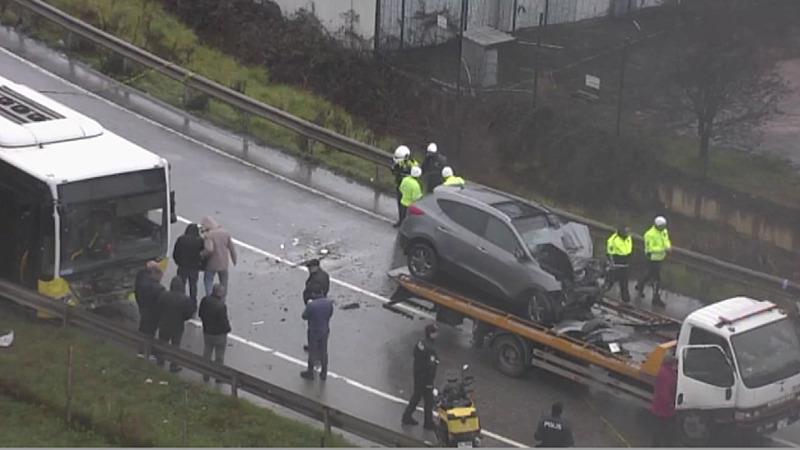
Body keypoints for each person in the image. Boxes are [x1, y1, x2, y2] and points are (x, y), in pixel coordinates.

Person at [402, 324, 440, 429]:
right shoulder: (431, 349)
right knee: (428, 400)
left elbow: (415, 354)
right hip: (425, 378)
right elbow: (431, 366)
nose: (437, 334)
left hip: (417, 374)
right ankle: (427, 422)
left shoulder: (420, 343)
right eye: (435, 332)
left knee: (417, 397)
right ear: (431, 334)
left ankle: (408, 416)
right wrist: (430, 379)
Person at [156, 276, 196, 372]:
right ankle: (174, 365)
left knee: (162, 342)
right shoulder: (185, 299)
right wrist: (183, 318)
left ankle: (160, 360)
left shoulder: (164, 295)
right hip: (177, 326)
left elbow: (158, 308)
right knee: (175, 345)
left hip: (164, 323)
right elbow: (189, 313)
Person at [635, 216, 672, 307]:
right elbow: (650, 248)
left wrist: (668, 246)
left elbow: (666, 240)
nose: (664, 228)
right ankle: (655, 298)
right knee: (656, 279)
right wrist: (664, 249)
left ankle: (640, 285)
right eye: (662, 226)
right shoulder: (649, 234)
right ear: (657, 225)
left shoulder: (664, 231)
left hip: (660, 258)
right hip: (652, 258)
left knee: (649, 276)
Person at [199, 283, 232, 383]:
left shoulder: (205, 300)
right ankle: (218, 376)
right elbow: (224, 322)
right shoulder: (221, 306)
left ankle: (206, 374)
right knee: (219, 356)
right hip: (219, 335)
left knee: (207, 353)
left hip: (207, 332)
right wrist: (228, 329)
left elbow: (200, 313)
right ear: (219, 293)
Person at [300, 290, 334, 381]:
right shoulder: (328, 303)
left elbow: (304, 316)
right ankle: (324, 373)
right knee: (323, 351)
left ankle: (310, 372)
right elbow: (330, 314)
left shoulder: (312, 305)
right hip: (324, 330)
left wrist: (308, 305)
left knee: (312, 351)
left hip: (314, 331)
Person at [200, 216, 237, 298]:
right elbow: (231, 248)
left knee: (208, 281)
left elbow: (209, 249)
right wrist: (234, 259)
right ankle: (222, 300)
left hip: (211, 264)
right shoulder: (225, 233)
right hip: (224, 264)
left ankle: (210, 299)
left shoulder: (209, 235)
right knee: (224, 283)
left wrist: (202, 255)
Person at [651, 352, 678, 447]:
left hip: (662, 407)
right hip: (664, 409)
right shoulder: (665, 373)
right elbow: (664, 392)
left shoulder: (667, 371)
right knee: (664, 431)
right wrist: (670, 404)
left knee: (661, 430)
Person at [172, 223, 204, 303]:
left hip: (182, 266)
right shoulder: (199, 241)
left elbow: (175, 253)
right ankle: (193, 302)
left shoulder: (181, 239)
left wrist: (178, 262)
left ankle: (180, 301)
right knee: (193, 285)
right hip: (194, 267)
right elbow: (203, 254)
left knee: (181, 284)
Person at [134, 260, 165, 340]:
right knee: (149, 332)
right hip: (151, 312)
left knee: (143, 327)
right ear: (154, 273)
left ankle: (139, 345)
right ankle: (143, 349)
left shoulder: (141, 276)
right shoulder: (158, 289)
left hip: (142, 306)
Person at [391, 145, 419, 227]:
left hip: (408, 188)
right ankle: (401, 221)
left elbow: (415, 175)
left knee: (408, 207)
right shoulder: (400, 163)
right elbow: (394, 170)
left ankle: (406, 223)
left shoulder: (413, 164)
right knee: (400, 204)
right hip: (400, 185)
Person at [605, 225, 633, 303]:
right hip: (617, 261)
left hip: (625, 261)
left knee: (624, 282)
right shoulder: (613, 240)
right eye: (626, 232)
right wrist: (612, 263)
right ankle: (600, 293)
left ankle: (626, 300)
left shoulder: (628, 238)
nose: (628, 234)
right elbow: (609, 253)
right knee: (610, 281)